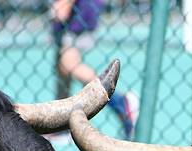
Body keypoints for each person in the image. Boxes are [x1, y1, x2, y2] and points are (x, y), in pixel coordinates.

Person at [51, 0, 138, 139]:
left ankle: (121, 101)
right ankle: (61, 125)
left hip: (77, 17)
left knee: (68, 64)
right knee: (62, 68)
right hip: (73, 17)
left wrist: (64, 4)